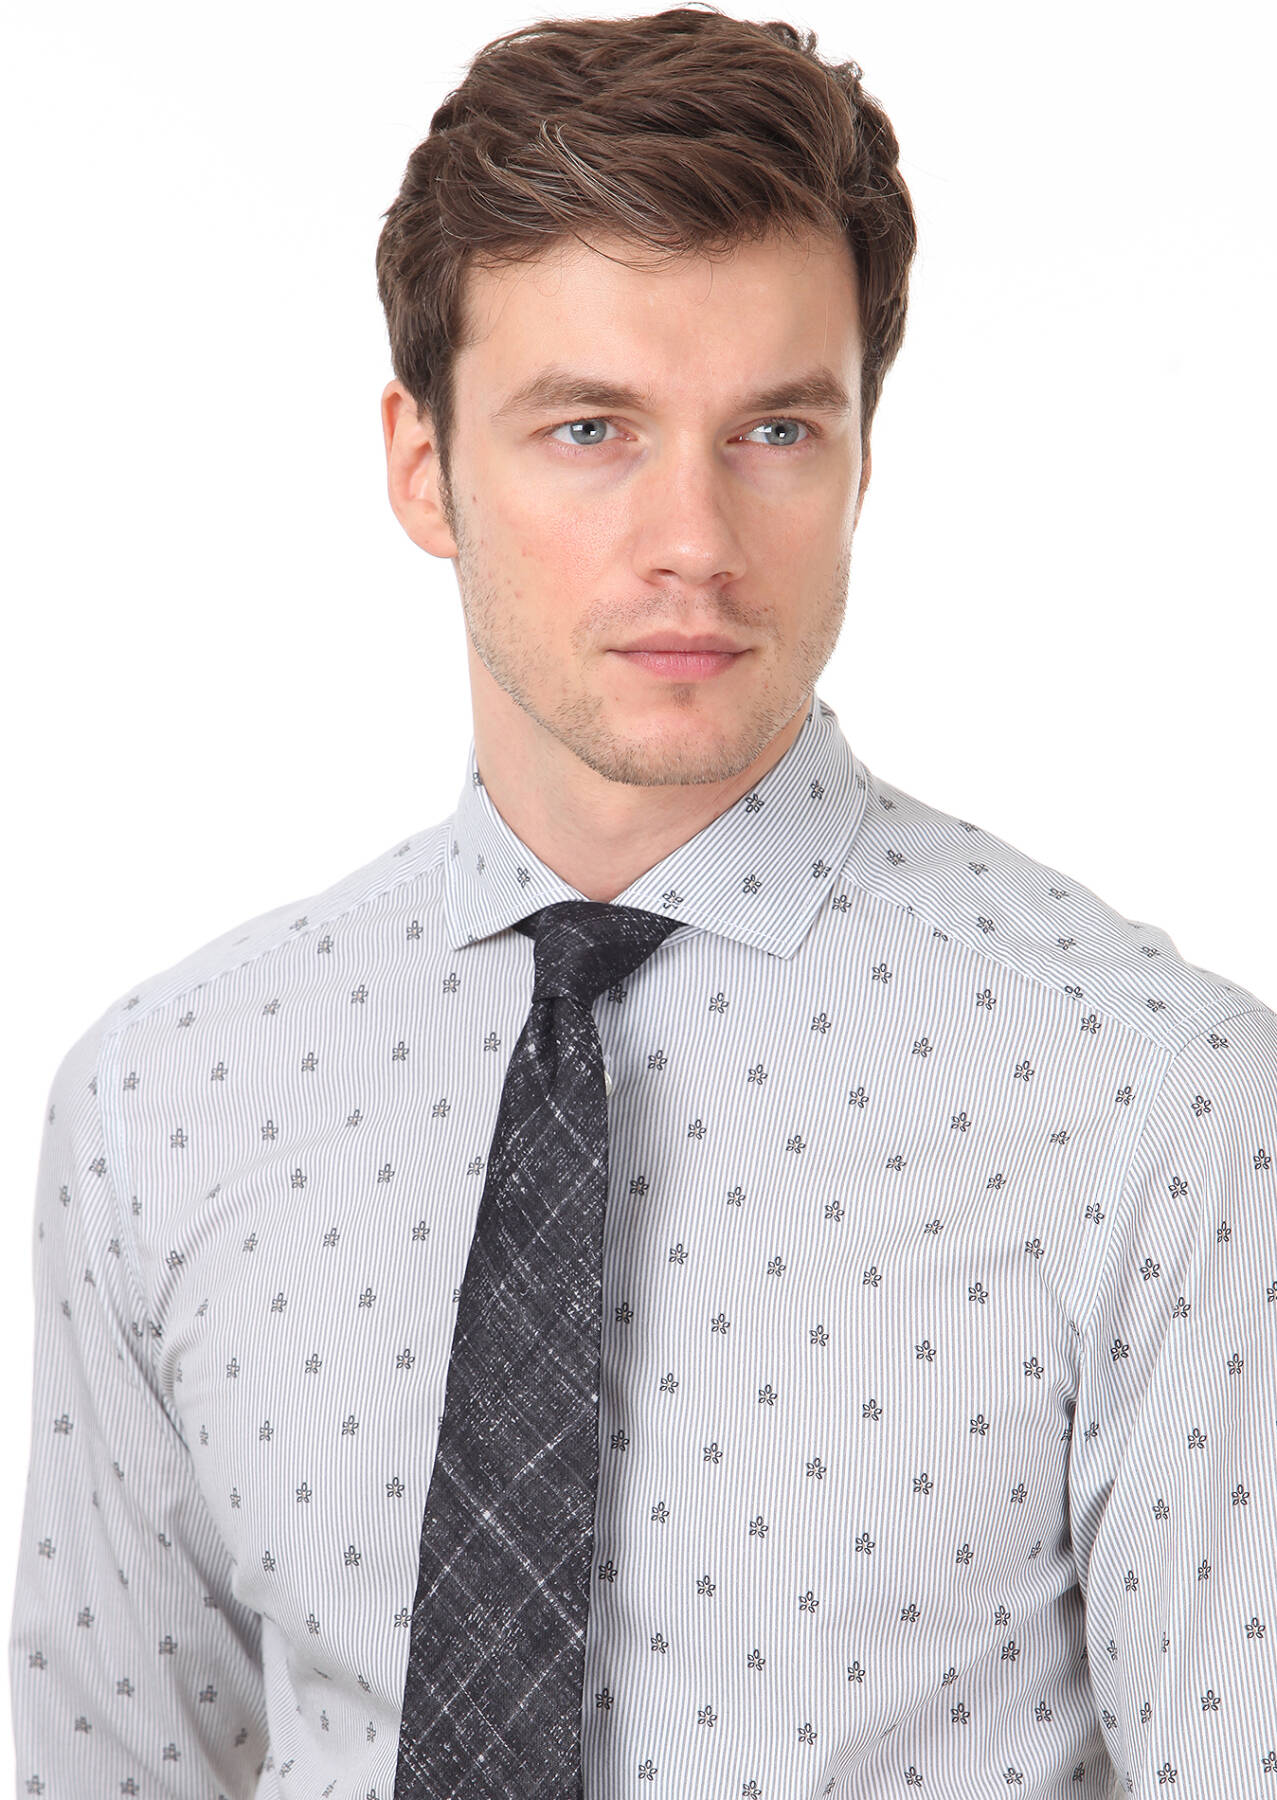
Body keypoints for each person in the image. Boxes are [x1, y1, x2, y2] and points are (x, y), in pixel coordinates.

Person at [11, 5, 1276, 1796]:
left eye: (774, 430)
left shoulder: (1161, 1109)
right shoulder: (167, 1100)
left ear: (859, 459)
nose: (692, 538)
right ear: (421, 464)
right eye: (590, 426)